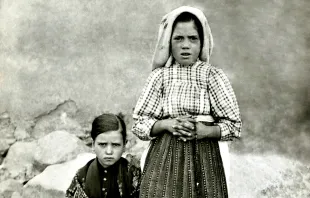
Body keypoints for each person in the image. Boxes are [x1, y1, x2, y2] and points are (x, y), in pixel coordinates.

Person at [132, 6, 242, 198]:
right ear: (168, 42)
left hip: (206, 156)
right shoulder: (160, 77)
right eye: (178, 38)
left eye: (193, 39)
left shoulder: (212, 76)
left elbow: (233, 126)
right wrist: (167, 124)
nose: (185, 45)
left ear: (202, 43)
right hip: (164, 156)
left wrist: (206, 130)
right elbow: (140, 124)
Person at [66, 113, 141, 198]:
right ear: (93, 145)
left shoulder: (133, 175)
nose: (109, 151)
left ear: (124, 145)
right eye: (102, 144)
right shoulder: (82, 176)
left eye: (115, 145)